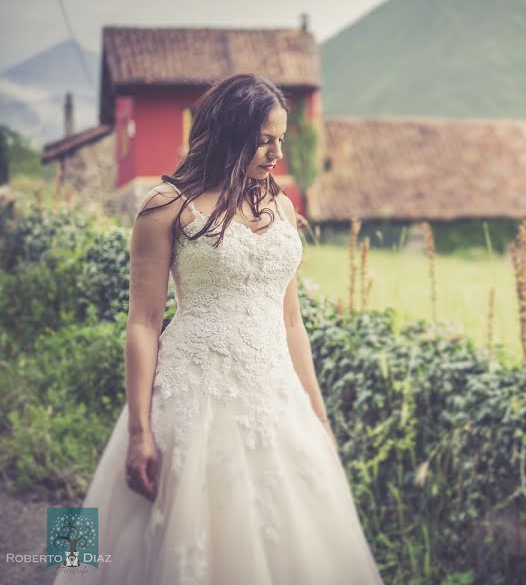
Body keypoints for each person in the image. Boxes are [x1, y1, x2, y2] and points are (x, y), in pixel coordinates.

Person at [52, 74, 384, 584]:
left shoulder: (282, 206)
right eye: (264, 139)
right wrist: (140, 430)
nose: (276, 153)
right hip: (191, 392)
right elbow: (142, 322)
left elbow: (291, 320)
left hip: (274, 396)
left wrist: (319, 416)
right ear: (229, 132)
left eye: (281, 139)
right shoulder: (165, 206)